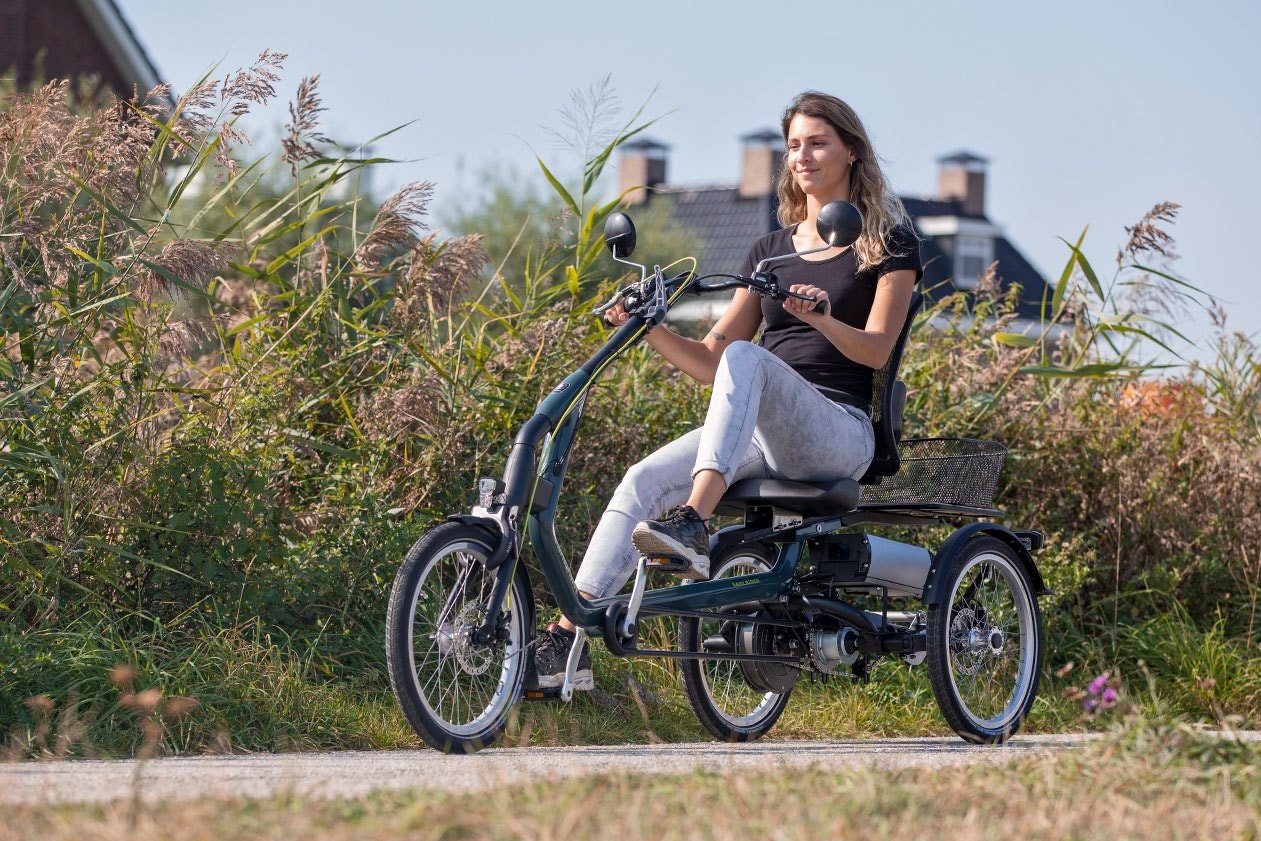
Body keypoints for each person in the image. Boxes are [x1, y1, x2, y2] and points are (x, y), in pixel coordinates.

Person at [533, 90, 923, 690]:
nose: (803, 156)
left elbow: (875, 349)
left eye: (817, 143)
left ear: (851, 151)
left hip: (839, 431)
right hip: (763, 431)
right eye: (793, 146)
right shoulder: (768, 251)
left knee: (750, 356)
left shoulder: (887, 243)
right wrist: (649, 326)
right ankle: (566, 642)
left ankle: (694, 520)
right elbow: (714, 363)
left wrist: (820, 319)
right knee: (641, 479)